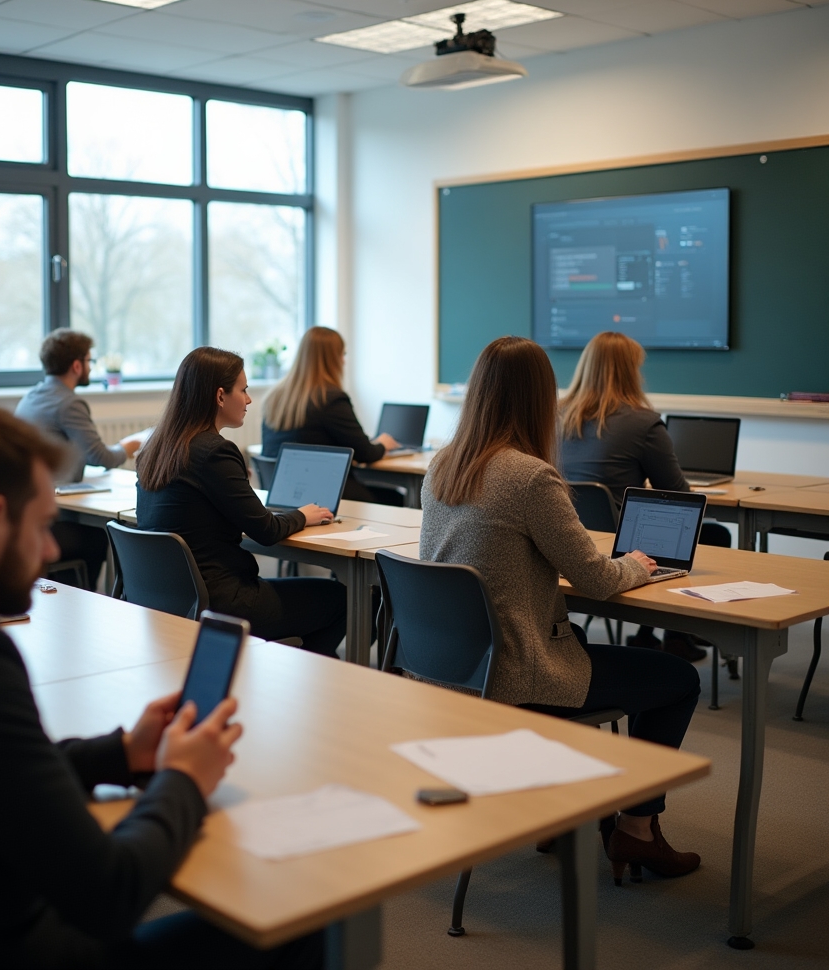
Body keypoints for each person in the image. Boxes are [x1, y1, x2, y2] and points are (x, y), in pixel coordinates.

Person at [0, 403, 321, 970]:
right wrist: (184, 780)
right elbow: (111, 895)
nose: (51, 552)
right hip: (3, 952)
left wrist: (122, 753)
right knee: (305, 919)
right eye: (42, 527)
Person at [420, 336, 701, 883]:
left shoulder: (442, 464)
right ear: (539, 399)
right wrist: (639, 565)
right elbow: (596, 580)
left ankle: (555, 805)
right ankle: (637, 829)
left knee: (602, 651)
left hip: (452, 672)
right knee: (679, 678)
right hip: (518, 675)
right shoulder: (529, 477)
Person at [137, 347, 346, 658]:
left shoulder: (156, 448)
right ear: (220, 396)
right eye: (244, 390)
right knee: (340, 598)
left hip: (169, 600)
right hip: (223, 602)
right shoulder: (214, 451)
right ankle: (311, 686)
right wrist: (302, 515)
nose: (248, 400)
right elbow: (266, 531)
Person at [558, 331, 721, 661]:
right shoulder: (644, 423)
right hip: (621, 544)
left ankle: (650, 633)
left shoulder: (553, 416)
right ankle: (678, 631)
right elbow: (678, 496)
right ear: (630, 371)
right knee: (716, 532)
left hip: (566, 539)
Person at [16, 329, 146, 589]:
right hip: (50, 523)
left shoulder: (31, 397)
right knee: (100, 535)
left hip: (27, 514)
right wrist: (133, 444)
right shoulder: (69, 404)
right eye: (89, 361)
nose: (90, 367)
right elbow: (101, 456)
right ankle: (88, 601)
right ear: (77, 365)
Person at [261, 327, 399, 503]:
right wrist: (382, 443)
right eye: (342, 354)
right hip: (326, 497)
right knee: (396, 498)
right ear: (332, 359)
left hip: (284, 495)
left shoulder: (275, 397)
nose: (344, 361)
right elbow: (366, 453)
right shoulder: (331, 399)